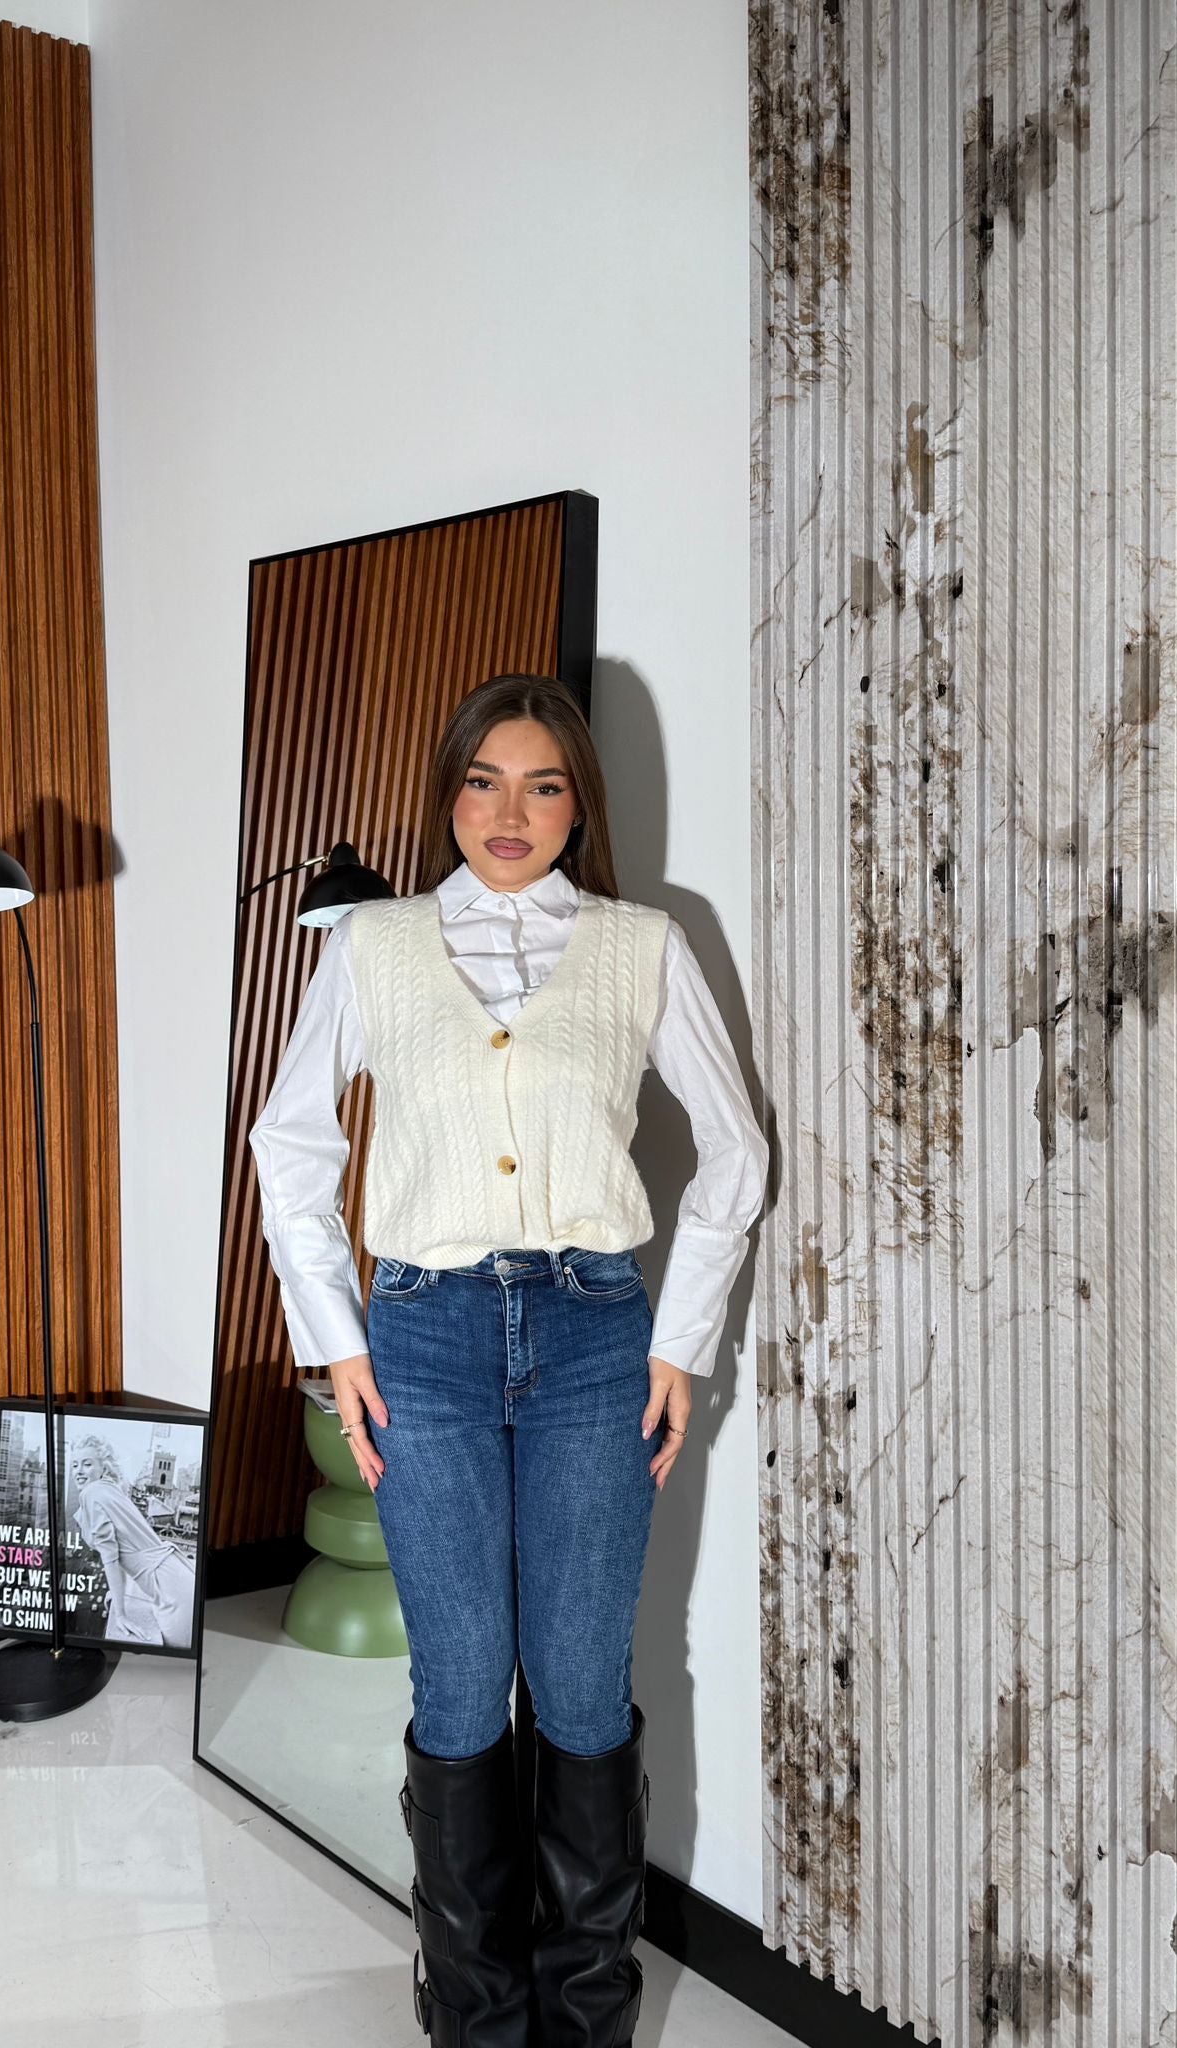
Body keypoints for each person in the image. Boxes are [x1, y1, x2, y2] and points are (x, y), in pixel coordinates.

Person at [249, 674, 767, 2047]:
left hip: (596, 1338)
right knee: (463, 1681)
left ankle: (587, 2018)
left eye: (543, 784)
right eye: (483, 780)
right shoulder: (372, 945)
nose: (510, 811)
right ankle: (476, 2017)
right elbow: (289, 1145)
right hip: (422, 1337)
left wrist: (679, 1338)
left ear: (577, 805)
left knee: (584, 1688)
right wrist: (335, 1339)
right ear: (449, 794)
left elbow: (736, 1149)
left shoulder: (641, 946)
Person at [68, 1434, 196, 1650]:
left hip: (171, 1593)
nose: (79, 1471)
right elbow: (120, 1551)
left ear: (103, 1467)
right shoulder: (109, 1488)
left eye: (87, 1464)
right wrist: (116, 1591)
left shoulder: (91, 1493)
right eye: (75, 1465)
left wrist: (120, 1614)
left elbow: (110, 1559)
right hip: (178, 1580)